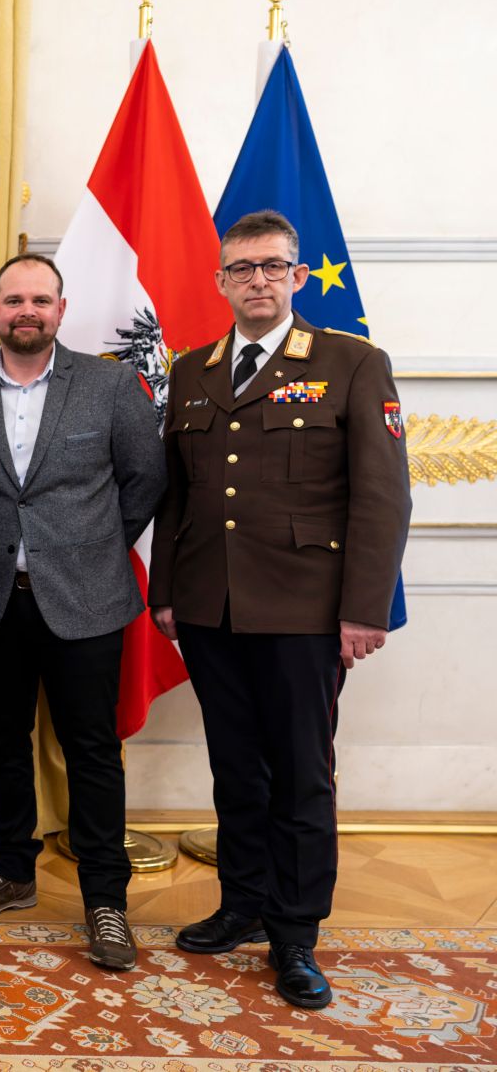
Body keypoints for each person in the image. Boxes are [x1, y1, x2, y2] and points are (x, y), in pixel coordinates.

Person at [150, 209, 410, 1009]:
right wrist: (166, 591)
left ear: (298, 276)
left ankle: (295, 932)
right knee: (236, 767)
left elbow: (383, 495)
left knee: (300, 773)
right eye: (241, 268)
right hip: (211, 607)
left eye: (272, 266)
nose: (256, 280)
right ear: (221, 281)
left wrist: (364, 608)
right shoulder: (192, 370)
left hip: (305, 607)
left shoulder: (351, 362)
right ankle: (243, 902)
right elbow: (177, 494)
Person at [0, 253, 165, 972]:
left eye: (40, 299)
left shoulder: (110, 384)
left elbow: (145, 478)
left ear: (61, 309)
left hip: (86, 600)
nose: (26, 311)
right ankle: (12, 869)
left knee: (91, 751)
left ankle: (105, 899)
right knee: (2, 742)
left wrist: (89, 547)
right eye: (13, 300)